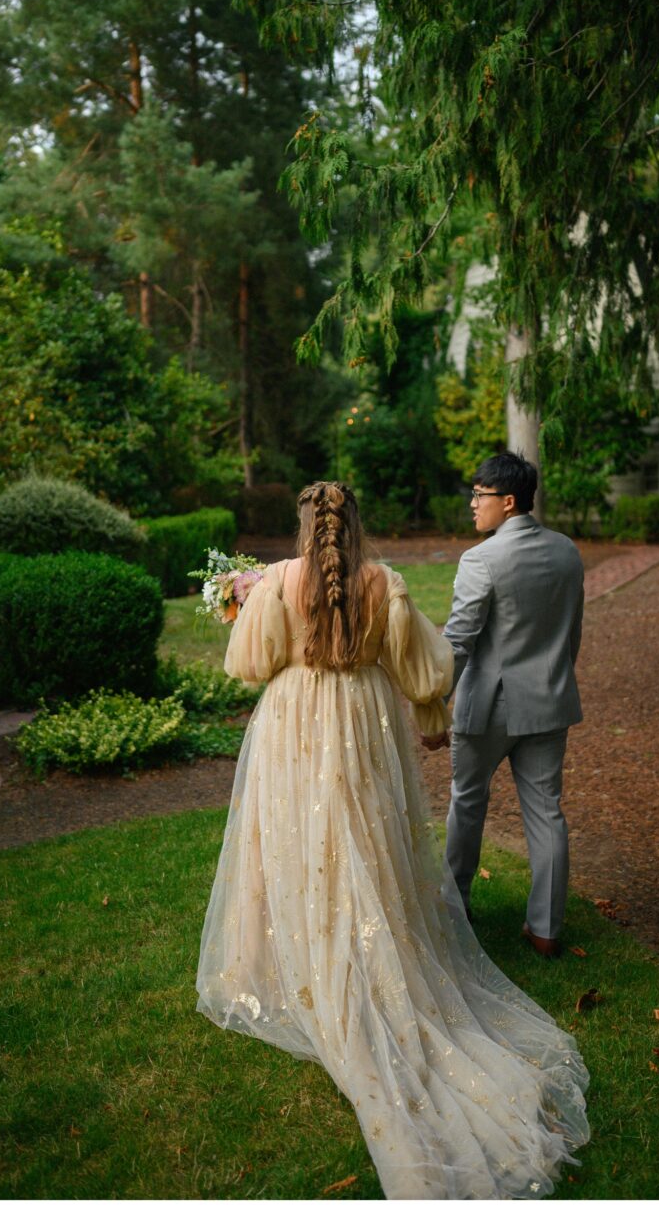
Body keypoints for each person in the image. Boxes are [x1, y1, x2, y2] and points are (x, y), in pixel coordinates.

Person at [199, 479, 589, 1200]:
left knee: (292, 842)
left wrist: (249, 607)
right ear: (356, 525)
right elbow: (424, 673)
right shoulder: (387, 584)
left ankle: (284, 956)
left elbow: (248, 667)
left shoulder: (277, 583)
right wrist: (433, 713)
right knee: (365, 842)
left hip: (294, 724)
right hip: (361, 725)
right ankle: (379, 940)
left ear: (304, 527)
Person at [432, 451, 586, 960]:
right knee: (546, 812)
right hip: (550, 699)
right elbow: (571, 634)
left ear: (509, 501)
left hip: (489, 707)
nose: (473, 504)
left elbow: (459, 641)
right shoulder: (567, 551)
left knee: (468, 801)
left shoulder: (482, 559)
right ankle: (545, 928)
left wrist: (433, 702)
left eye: (480, 495)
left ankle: (456, 910)